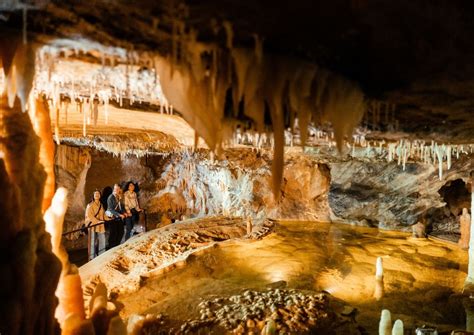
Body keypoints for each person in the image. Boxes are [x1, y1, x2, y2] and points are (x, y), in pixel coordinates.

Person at [85, 190, 108, 259]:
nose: (97, 195)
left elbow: (103, 215)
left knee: (102, 240)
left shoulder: (101, 205)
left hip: (100, 225)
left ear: (100, 195)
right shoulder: (90, 205)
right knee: (92, 242)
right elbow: (89, 216)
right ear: (93, 195)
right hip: (93, 225)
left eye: (98, 194)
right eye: (95, 194)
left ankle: (102, 254)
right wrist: (97, 221)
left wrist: (110, 218)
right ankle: (92, 257)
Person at [106, 184, 127, 249]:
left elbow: (121, 207)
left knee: (121, 232)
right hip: (112, 218)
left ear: (119, 189)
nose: (116, 190)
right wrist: (119, 215)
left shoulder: (118, 197)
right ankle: (111, 248)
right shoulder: (110, 197)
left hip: (118, 218)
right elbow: (110, 209)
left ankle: (117, 246)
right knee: (113, 233)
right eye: (115, 189)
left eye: (117, 189)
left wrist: (124, 212)